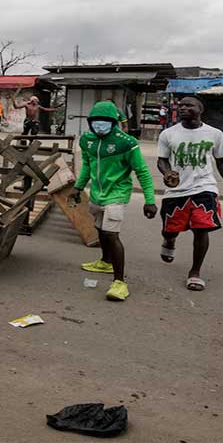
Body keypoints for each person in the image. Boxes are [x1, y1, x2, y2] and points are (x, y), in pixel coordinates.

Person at [69, 101, 157, 302]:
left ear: (114, 122)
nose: (100, 126)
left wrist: (150, 200)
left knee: (111, 234)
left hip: (117, 193)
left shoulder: (126, 142)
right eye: (96, 122)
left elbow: (142, 172)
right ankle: (105, 261)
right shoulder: (87, 140)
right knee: (100, 228)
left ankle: (120, 282)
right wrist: (78, 188)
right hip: (97, 194)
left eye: (105, 122)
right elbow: (87, 166)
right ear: (90, 123)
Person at [156, 96, 223, 292]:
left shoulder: (214, 133)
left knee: (202, 228)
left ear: (200, 109)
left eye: (189, 105)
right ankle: (169, 240)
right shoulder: (168, 134)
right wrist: (167, 172)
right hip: (176, 191)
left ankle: (195, 272)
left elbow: (222, 162)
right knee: (170, 229)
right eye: (181, 105)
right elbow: (162, 160)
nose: (183, 108)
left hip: (205, 188)